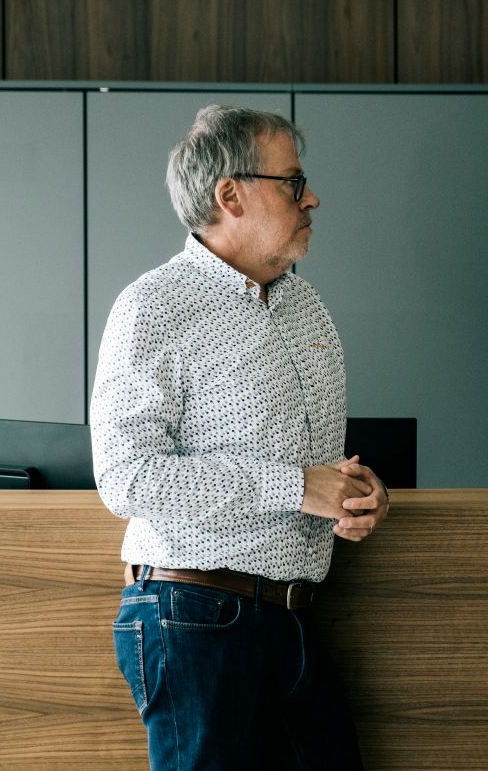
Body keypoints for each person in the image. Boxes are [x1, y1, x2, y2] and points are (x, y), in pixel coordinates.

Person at [91, 105, 387, 770]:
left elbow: (309, 473)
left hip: (292, 616)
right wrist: (295, 486)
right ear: (231, 195)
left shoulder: (305, 304)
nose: (312, 197)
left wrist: (354, 496)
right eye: (292, 181)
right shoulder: (153, 305)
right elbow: (127, 476)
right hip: (194, 616)